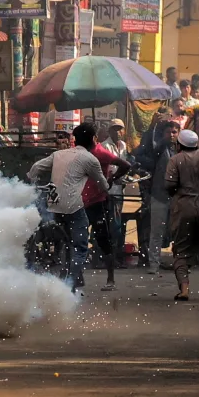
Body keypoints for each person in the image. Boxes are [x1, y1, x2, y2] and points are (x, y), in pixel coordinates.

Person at [28, 123, 110, 292]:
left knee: (58, 237)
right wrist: (105, 186)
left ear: (74, 139)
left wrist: (32, 182)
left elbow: (36, 168)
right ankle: (69, 285)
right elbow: (103, 185)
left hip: (53, 204)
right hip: (73, 207)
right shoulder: (90, 159)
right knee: (80, 247)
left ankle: (57, 266)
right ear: (94, 140)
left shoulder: (58, 154)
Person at [165, 129, 199, 301]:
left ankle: (184, 289)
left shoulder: (175, 160)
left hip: (184, 210)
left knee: (181, 249)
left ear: (179, 144)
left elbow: (169, 185)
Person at [82, 129, 132, 290]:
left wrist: (112, 179)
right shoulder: (80, 153)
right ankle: (76, 276)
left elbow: (125, 165)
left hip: (97, 202)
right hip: (79, 202)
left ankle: (110, 279)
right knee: (78, 239)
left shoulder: (100, 152)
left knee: (104, 239)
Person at [146, 120, 179, 273]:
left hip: (177, 197)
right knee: (156, 232)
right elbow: (151, 147)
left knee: (179, 232)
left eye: (174, 132)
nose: (171, 135)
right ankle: (154, 264)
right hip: (159, 195)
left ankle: (180, 264)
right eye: (168, 132)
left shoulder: (181, 150)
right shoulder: (159, 148)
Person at [102, 118, 129, 263]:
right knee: (112, 225)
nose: (118, 132)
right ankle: (109, 257)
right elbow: (105, 169)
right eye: (115, 129)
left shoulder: (123, 146)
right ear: (110, 131)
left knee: (116, 224)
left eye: (120, 129)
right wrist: (114, 177)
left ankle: (113, 256)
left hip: (119, 190)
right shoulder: (105, 146)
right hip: (108, 191)